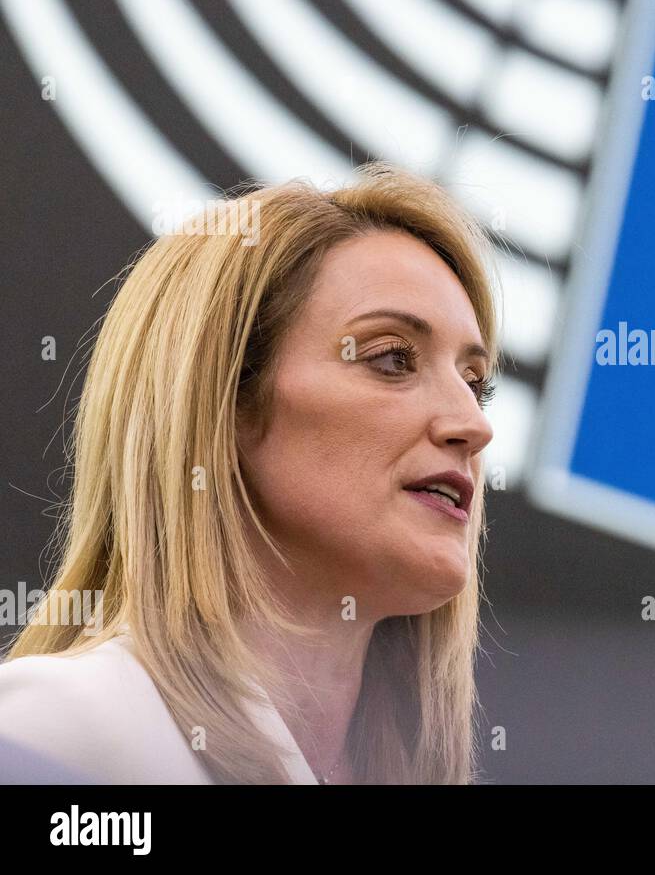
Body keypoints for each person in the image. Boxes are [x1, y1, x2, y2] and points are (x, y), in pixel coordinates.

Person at [0, 163, 498, 783]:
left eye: (477, 386)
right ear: (223, 403)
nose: (473, 426)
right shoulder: (61, 733)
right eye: (392, 358)